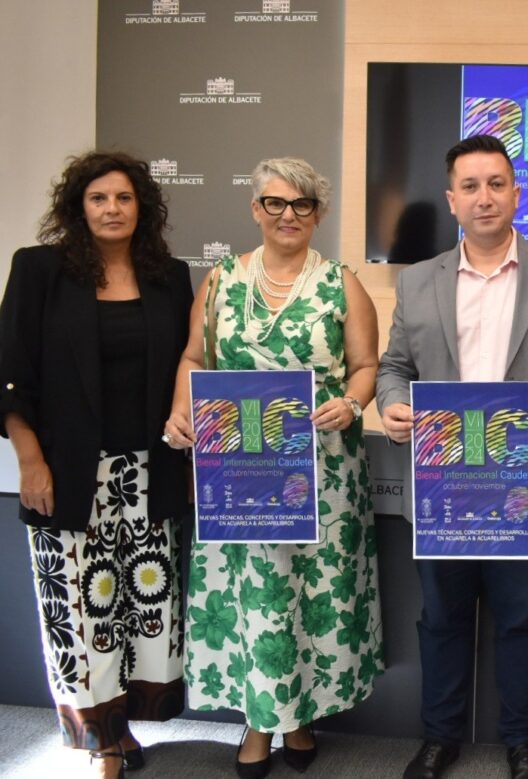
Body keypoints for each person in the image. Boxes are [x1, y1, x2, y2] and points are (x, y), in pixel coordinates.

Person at [377, 134, 528, 779]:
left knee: (522, 620)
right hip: (441, 486)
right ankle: (439, 737)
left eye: (496, 184)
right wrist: (392, 405)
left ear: (516, 194)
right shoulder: (417, 280)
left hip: (526, 483)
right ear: (452, 200)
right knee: (442, 619)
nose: (484, 197)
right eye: (470, 186)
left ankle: (522, 743)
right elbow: (394, 368)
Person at [164, 158, 383, 779]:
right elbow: (193, 356)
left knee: (310, 599)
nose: (289, 215)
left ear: (319, 213)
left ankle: (300, 717)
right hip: (239, 471)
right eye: (276, 203)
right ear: (255, 209)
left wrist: (352, 403)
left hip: (322, 474)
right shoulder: (220, 281)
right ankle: (261, 724)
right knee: (255, 598)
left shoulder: (342, 283)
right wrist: (181, 411)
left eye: (303, 204)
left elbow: (366, 366)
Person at [0, 151, 193, 778]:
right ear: (78, 207)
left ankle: (123, 726)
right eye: (99, 198)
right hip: (69, 474)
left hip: (150, 475)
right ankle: (102, 744)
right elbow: (11, 373)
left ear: (143, 207)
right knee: (83, 615)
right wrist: (30, 459)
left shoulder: (169, 276)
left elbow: (188, 367)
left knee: (142, 609)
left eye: (124, 198)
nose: (113, 209)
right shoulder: (40, 270)